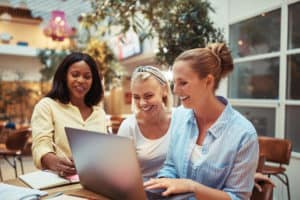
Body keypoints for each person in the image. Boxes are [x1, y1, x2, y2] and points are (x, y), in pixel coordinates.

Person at [144, 43, 259, 200]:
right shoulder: (179, 116)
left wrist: (192, 187)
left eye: (183, 83)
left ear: (208, 81)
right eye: (174, 83)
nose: (175, 91)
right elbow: (170, 166)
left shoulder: (244, 134)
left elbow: (238, 197)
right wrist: (162, 183)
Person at [31, 52, 106, 177]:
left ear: (93, 81)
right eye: (75, 75)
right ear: (64, 76)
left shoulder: (99, 113)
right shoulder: (47, 106)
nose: (81, 80)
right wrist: (52, 161)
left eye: (87, 77)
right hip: (58, 180)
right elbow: (41, 144)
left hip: (96, 179)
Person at [118, 66, 173, 181]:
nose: (142, 103)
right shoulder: (128, 126)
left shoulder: (180, 118)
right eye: (137, 97)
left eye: (148, 96)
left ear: (164, 91)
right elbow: (122, 174)